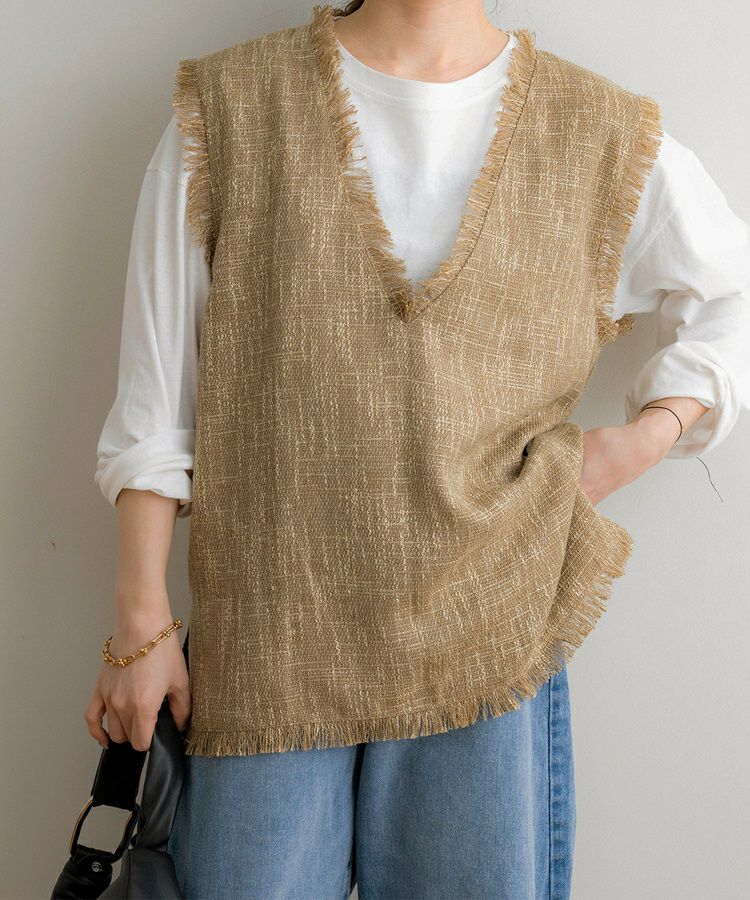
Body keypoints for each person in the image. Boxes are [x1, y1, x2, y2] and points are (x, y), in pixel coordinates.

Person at [86, 2, 750, 897]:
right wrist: (140, 624)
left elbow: (730, 293)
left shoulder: (597, 130)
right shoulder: (232, 106)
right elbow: (157, 396)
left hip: (489, 630)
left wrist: (640, 440)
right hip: (270, 639)